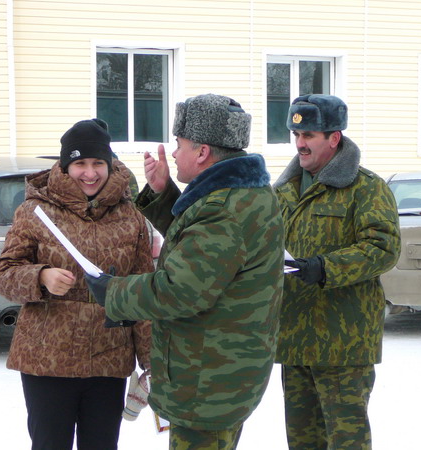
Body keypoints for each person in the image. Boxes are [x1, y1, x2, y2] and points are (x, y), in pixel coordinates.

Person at [85, 94, 285, 449]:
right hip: (224, 372)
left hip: (207, 380)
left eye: (179, 145)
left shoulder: (222, 209)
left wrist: (114, 292)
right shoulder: (244, 193)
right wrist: (164, 194)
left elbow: (182, 289)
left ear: (203, 152)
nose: (174, 154)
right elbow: (204, 254)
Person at [0, 119, 153, 450]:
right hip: (47, 361)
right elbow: (6, 273)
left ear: (110, 164)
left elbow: (141, 293)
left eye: (98, 163)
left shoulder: (131, 217)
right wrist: (40, 277)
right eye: (80, 163)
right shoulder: (36, 211)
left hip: (108, 360)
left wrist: (152, 362)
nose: (90, 173)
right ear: (66, 166)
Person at [273, 94, 401, 449]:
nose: (300, 144)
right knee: (302, 442)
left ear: (334, 137)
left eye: (310, 135)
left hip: (342, 344)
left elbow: (383, 248)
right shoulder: (282, 190)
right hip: (294, 341)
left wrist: (325, 268)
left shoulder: (366, 188)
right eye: (296, 135)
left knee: (346, 441)